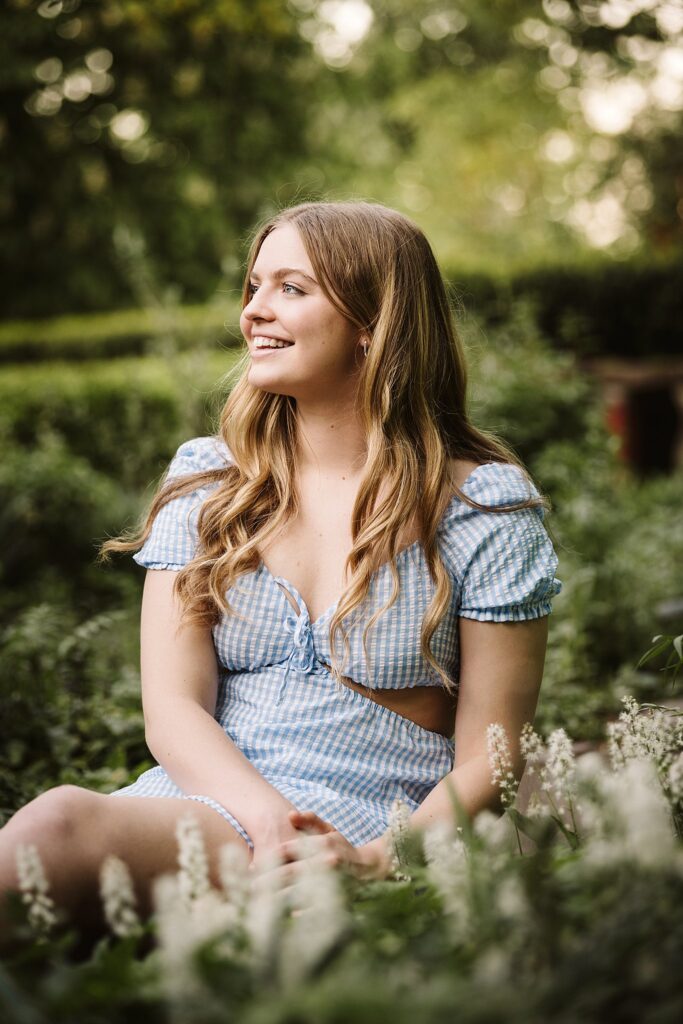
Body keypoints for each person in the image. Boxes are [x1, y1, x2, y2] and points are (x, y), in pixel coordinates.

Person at [0, 199, 562, 931]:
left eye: (290, 289)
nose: (254, 312)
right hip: (213, 803)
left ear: (373, 324)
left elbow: (495, 753)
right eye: (255, 287)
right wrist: (270, 823)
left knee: (56, 831)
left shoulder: (481, 505)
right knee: (55, 832)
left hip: (375, 820)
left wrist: (375, 859)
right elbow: (172, 710)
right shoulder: (209, 480)